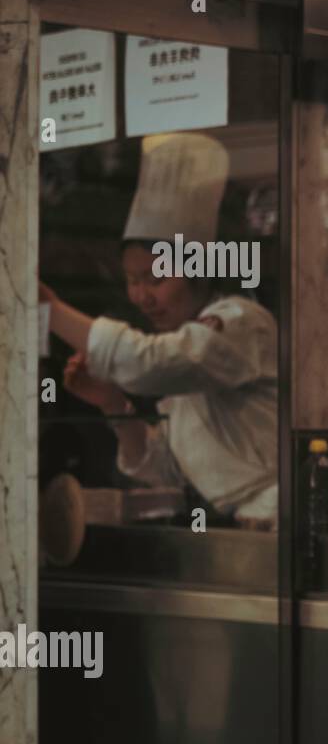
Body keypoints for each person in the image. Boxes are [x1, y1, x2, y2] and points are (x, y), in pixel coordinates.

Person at [40, 132, 278, 528]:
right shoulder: (183, 351)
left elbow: (147, 363)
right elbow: (165, 468)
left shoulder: (239, 322)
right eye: (132, 280)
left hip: (276, 521)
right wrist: (113, 404)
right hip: (236, 530)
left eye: (155, 278)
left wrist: (51, 309)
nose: (141, 296)